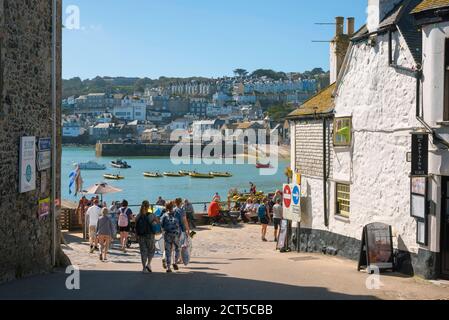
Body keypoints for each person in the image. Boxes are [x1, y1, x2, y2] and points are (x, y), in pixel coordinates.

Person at [135, 200, 158, 273]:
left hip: (141, 236)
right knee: (151, 250)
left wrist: (137, 236)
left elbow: (135, 226)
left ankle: (144, 268)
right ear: (148, 206)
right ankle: (149, 264)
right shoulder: (151, 215)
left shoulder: (138, 215)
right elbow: (156, 224)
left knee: (143, 251)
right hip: (150, 235)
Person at [161, 202, 183, 273]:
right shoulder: (177, 214)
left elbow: (162, 225)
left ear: (166, 207)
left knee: (168, 250)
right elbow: (181, 223)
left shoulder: (164, 215)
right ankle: (175, 262)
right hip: (176, 234)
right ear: (173, 206)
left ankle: (168, 267)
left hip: (167, 235)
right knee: (177, 249)